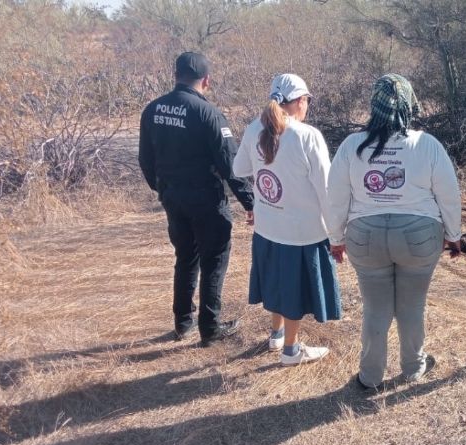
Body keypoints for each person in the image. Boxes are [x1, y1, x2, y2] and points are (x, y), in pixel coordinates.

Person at [328, 74, 462, 390]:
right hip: (419, 235)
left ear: (374, 105)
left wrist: (336, 238)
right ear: (408, 104)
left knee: (376, 308)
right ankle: (414, 367)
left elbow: (335, 197)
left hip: (365, 236)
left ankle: (370, 376)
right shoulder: (426, 144)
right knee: (411, 306)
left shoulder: (351, 145)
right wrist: (454, 234)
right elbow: (449, 194)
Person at [138, 52, 254, 347]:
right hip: (205, 199)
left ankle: (183, 322)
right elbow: (232, 166)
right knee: (214, 260)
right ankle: (210, 328)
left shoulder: (152, 110)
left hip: (173, 198)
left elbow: (145, 160)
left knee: (186, 257)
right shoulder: (208, 113)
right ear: (206, 80)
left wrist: (162, 189)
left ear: (175, 74)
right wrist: (252, 203)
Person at [232, 74, 341, 366]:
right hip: (302, 232)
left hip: (267, 227)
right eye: (307, 100)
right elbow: (326, 191)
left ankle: (276, 334)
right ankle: (291, 351)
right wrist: (337, 236)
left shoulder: (255, 128)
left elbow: (239, 167)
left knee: (278, 281)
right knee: (293, 289)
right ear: (300, 101)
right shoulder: (307, 136)